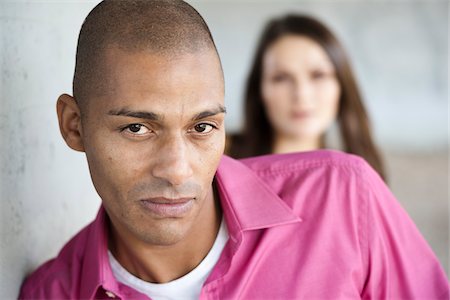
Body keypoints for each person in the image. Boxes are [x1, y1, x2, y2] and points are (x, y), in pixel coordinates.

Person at [19, 1, 448, 299]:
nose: (177, 169)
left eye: (202, 127)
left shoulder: (345, 198)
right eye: (137, 128)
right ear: (74, 126)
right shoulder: (49, 294)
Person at [227, 15, 387, 180]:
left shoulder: (356, 176)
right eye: (281, 78)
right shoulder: (219, 155)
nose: (301, 94)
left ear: (342, 85)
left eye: (318, 75)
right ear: (259, 88)